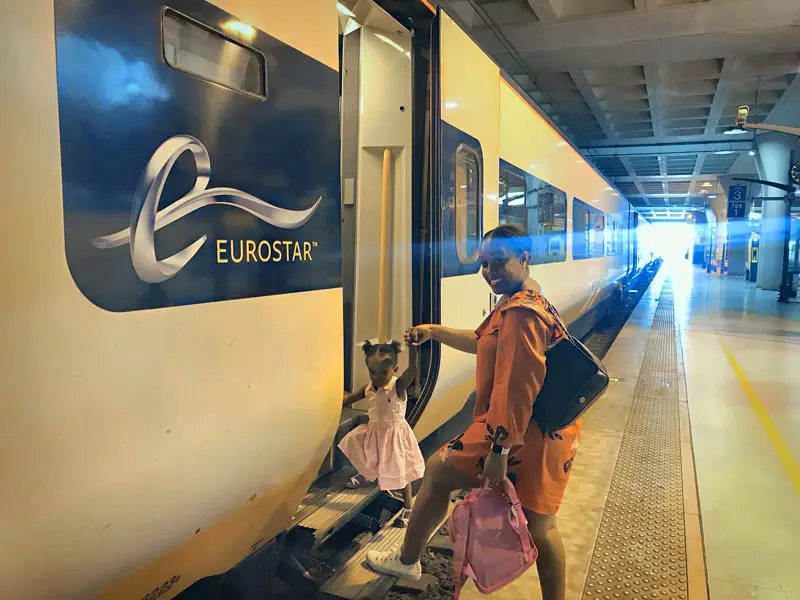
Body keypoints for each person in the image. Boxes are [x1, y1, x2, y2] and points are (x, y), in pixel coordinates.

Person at [365, 224, 581, 600]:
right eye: (484, 264)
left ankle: (406, 559)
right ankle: (408, 557)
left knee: (439, 471)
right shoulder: (525, 299)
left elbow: (516, 387)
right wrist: (435, 331)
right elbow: (484, 341)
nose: (490, 272)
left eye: (499, 263)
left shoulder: (521, 314)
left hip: (520, 433)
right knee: (541, 528)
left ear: (523, 259)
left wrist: (499, 452)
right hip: (540, 430)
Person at [340, 340, 425, 527]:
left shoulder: (398, 387)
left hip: (394, 436)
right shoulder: (369, 388)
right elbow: (349, 398)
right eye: (372, 372)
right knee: (362, 449)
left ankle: (408, 506)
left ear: (395, 369)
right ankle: (365, 474)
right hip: (375, 433)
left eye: (383, 372)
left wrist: (413, 348)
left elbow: (413, 368)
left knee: (401, 473)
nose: (377, 377)